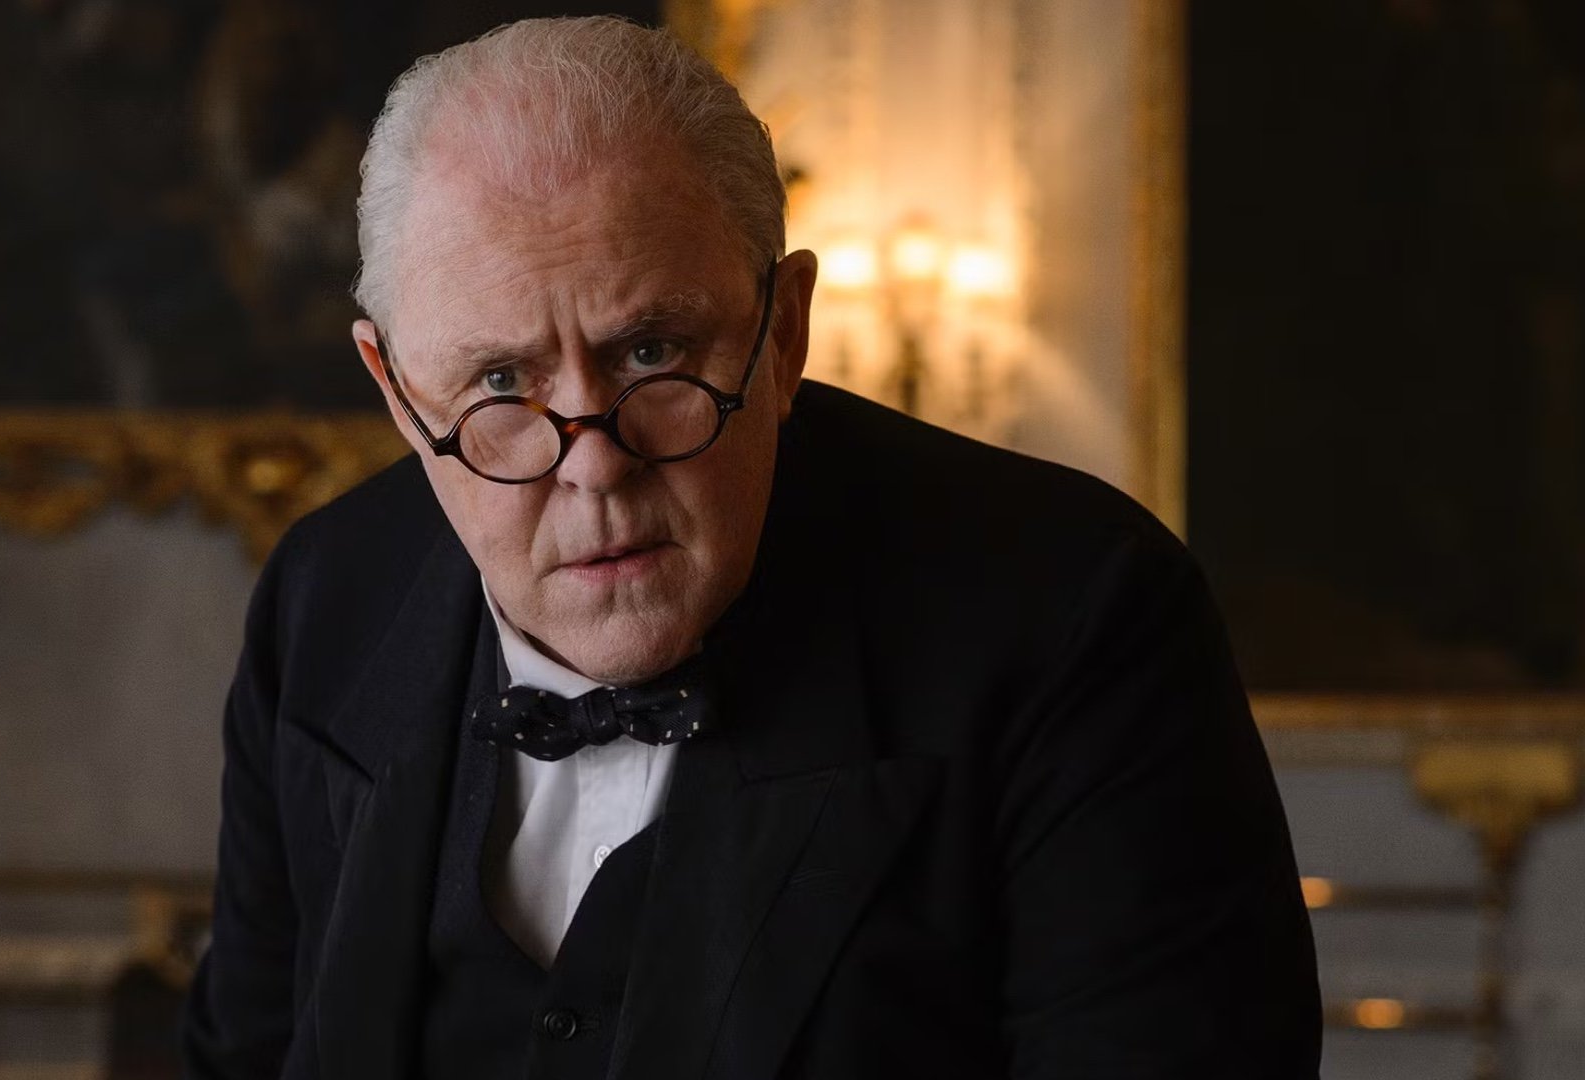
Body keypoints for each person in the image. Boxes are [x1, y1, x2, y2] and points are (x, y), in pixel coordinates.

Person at [181, 16, 1320, 1080]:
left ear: (784, 335)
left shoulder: (1081, 618)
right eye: (500, 380)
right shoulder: (323, 599)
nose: (594, 465)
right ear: (395, 390)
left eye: (650, 352)